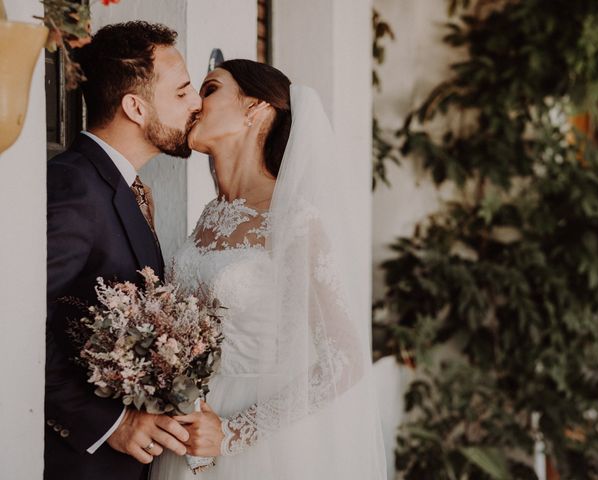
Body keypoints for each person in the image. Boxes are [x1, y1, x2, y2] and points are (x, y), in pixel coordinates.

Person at [150, 59, 387, 479]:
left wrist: (233, 434)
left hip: (262, 446)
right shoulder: (209, 215)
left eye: (209, 89)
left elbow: (344, 360)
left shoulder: (294, 218)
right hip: (188, 430)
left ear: (254, 108)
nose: (194, 103)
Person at [45, 21, 201, 480]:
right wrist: (110, 422)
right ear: (135, 106)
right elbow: (13, 320)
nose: (196, 104)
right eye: (182, 92)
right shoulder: (74, 185)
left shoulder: (123, 187)